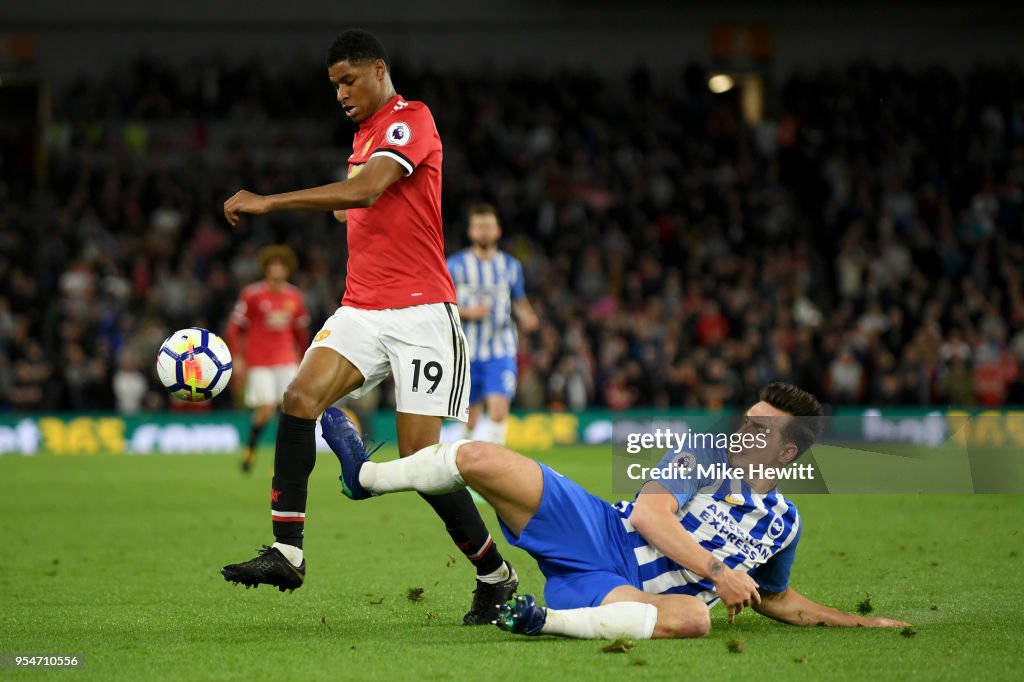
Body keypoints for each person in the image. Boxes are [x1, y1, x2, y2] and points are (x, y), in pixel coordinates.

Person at [219, 29, 518, 625]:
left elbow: (368, 189)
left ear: (378, 69)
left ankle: (495, 575)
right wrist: (346, 203)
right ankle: (287, 550)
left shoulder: (412, 118)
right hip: (362, 307)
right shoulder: (365, 138)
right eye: (334, 85)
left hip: (422, 314)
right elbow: (362, 200)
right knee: (300, 396)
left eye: (348, 80)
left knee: (422, 459)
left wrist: (270, 202)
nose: (340, 93)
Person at [322, 382, 909, 639]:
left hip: (624, 594)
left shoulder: (784, 523)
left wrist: (857, 623)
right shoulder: (704, 453)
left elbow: (776, 597)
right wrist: (717, 571)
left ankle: (539, 621)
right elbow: (652, 518)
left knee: (694, 621)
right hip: (600, 530)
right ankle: (366, 476)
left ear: (786, 450)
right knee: (477, 456)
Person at [447, 203, 539, 446]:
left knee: (498, 411)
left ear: (498, 231)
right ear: (471, 232)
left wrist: (528, 316)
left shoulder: (510, 266)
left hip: (501, 348)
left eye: (488, 226)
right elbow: (442, 307)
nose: (484, 231)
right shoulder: (455, 266)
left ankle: (495, 469)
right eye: (479, 226)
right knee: (469, 419)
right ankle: (461, 464)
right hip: (467, 352)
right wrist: (468, 312)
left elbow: (518, 300)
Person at [225, 245, 309, 473]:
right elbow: (234, 328)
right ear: (266, 268)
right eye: (273, 265)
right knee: (266, 410)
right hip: (259, 361)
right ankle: (250, 449)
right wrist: (237, 356)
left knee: (294, 408)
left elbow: (301, 333)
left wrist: (305, 358)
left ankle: (289, 457)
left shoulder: (295, 296)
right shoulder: (252, 295)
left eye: (281, 266)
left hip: (286, 359)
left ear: (287, 269)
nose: (277, 270)